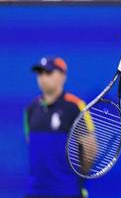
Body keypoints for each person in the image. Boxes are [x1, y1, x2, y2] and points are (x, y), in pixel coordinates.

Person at [24, 57, 91, 198]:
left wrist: (77, 182)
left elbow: (89, 149)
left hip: (66, 190)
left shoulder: (75, 106)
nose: (43, 78)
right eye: (40, 73)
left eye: (48, 73)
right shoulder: (31, 108)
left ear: (62, 76)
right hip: (36, 190)